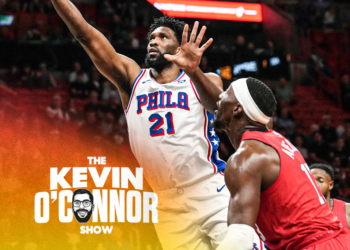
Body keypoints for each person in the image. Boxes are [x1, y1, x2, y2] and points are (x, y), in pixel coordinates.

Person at [51, 1, 265, 249]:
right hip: (165, 205)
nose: (153, 41)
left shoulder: (203, 79)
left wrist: (194, 71)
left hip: (210, 190)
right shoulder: (132, 79)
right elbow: (84, 34)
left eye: (163, 36)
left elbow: (220, 109)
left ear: (179, 46)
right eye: (151, 37)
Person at [214, 77, 350, 250]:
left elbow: (240, 239)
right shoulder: (271, 137)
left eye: (226, 92)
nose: (220, 96)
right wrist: (194, 71)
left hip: (314, 245)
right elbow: (230, 112)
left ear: (237, 109)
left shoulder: (247, 158)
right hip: (337, 241)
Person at [310, 163, 350, 230]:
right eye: (310, 181)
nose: (314, 184)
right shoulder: (298, 214)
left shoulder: (347, 210)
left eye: (320, 181)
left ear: (331, 185)